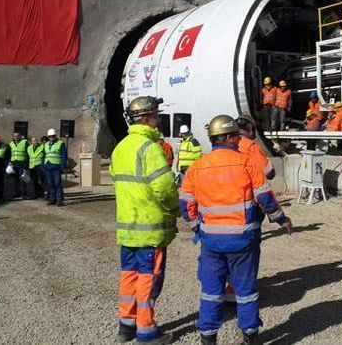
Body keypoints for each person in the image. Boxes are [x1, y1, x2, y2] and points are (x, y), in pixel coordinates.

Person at [181, 115, 292, 345]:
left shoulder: (198, 166)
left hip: (211, 241)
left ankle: (208, 336)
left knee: (211, 291)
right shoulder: (246, 162)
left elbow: (186, 203)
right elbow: (264, 197)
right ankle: (250, 334)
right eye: (236, 136)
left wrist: (196, 228)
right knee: (245, 290)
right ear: (230, 137)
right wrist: (281, 219)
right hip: (242, 241)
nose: (239, 139)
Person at [111, 96, 179, 344]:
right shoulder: (150, 149)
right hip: (150, 231)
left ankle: (126, 326)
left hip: (127, 229)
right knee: (148, 280)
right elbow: (164, 188)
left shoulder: (121, 148)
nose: (158, 120)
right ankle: (146, 332)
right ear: (148, 118)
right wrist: (174, 209)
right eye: (156, 116)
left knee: (128, 276)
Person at [236, 115, 275, 180]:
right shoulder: (250, 146)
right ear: (251, 129)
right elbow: (268, 172)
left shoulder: (227, 146)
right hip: (251, 186)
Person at [43, 128, 67, 206]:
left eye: (53, 136)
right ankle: (52, 198)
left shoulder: (60, 143)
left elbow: (64, 155)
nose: (51, 138)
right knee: (50, 183)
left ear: (55, 136)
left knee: (57, 183)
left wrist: (63, 166)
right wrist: (43, 165)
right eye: (50, 136)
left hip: (56, 167)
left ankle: (59, 199)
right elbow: (44, 155)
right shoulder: (46, 145)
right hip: (48, 167)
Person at [9, 132, 30, 199]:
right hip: (14, 164)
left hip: (22, 164)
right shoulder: (11, 144)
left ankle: (23, 194)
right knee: (15, 180)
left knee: (23, 179)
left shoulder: (24, 142)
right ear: (13, 137)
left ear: (20, 136)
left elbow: (28, 154)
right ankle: (16, 193)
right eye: (15, 136)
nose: (16, 137)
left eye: (17, 136)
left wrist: (26, 165)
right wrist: (9, 162)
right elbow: (9, 154)